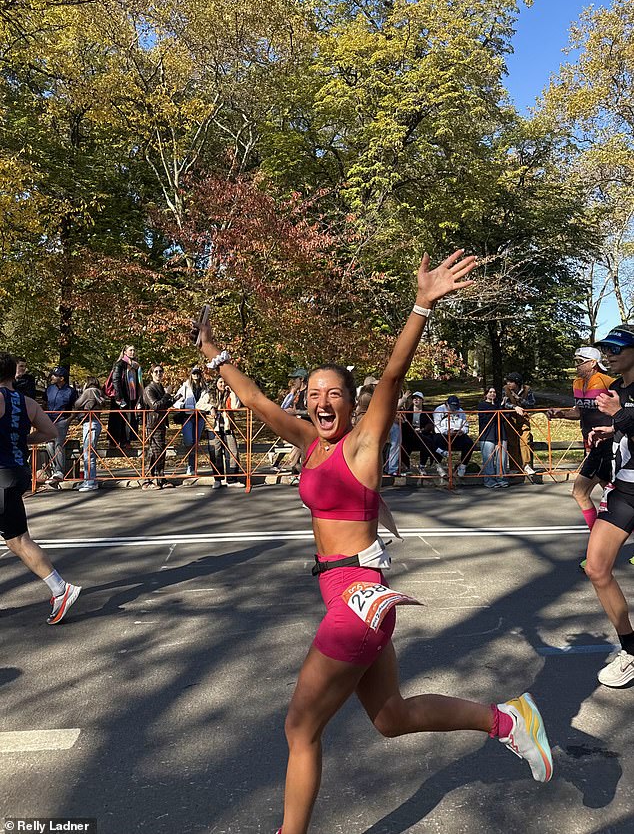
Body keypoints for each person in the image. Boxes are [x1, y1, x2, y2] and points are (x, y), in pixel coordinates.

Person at [196, 250, 553, 834]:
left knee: (300, 730)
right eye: (313, 393)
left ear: (351, 400)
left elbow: (391, 376)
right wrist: (216, 355)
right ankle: (508, 721)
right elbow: (259, 403)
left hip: (357, 598)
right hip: (352, 593)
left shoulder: (362, 444)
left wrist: (421, 305)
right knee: (390, 716)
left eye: (333, 393)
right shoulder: (312, 443)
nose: (321, 402)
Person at [0, 352, 81, 623]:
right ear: (13, 374)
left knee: (19, 540)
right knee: (17, 540)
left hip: (0, 474)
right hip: (17, 472)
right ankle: (60, 588)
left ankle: (61, 588)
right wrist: (21, 437)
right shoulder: (27, 403)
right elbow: (50, 433)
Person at [585, 325, 634, 687]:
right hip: (625, 490)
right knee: (596, 568)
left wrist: (620, 419)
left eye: (617, 347)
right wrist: (610, 432)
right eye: (606, 348)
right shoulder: (616, 389)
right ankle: (631, 649)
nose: (609, 353)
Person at [547, 347, 614, 569]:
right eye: (575, 360)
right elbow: (579, 411)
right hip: (591, 447)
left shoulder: (607, 381)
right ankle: (600, 547)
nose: (576, 364)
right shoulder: (577, 384)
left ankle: (597, 550)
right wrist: (560, 414)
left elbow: (622, 410)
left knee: (585, 493)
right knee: (612, 499)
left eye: (580, 361)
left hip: (607, 445)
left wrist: (613, 430)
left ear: (593, 363)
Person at [143, 365, 179, 488]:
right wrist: (167, 394)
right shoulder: (149, 389)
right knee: (155, 451)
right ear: (151, 374)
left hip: (161, 423)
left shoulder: (159, 388)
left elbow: (164, 404)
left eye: (161, 371)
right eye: (156, 372)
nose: (159, 374)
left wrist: (175, 398)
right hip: (153, 424)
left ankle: (159, 478)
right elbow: (156, 406)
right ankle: (149, 480)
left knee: (159, 452)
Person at [43, 365, 77, 486]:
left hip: (62, 420)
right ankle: (54, 469)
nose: (52, 377)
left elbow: (75, 407)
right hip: (49, 420)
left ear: (62, 378)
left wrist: (69, 419)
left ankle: (59, 471)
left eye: (55, 375)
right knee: (49, 444)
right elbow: (44, 402)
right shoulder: (49, 389)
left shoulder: (71, 391)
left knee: (58, 443)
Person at [107, 343, 144, 449]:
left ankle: (125, 441)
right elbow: (116, 381)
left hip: (131, 397)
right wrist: (119, 398)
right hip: (120, 397)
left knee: (129, 419)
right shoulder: (119, 364)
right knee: (117, 420)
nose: (132, 352)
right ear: (125, 352)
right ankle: (113, 442)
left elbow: (138, 382)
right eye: (130, 350)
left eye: (134, 350)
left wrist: (139, 398)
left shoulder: (136, 366)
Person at [501, 372, 536, 480]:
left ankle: (526, 465)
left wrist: (520, 400)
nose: (508, 384)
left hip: (523, 418)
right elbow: (504, 403)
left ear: (517, 383)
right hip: (511, 418)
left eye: (511, 382)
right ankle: (514, 467)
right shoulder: (505, 389)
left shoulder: (527, 389)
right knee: (512, 443)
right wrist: (514, 407)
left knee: (525, 440)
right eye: (508, 381)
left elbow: (532, 403)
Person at [74, 377, 105, 492]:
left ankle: (90, 481)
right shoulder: (98, 392)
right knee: (89, 453)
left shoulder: (89, 391)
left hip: (89, 422)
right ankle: (88, 480)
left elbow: (77, 403)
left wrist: (82, 391)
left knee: (88, 453)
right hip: (95, 422)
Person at [174, 365, 206, 475]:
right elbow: (175, 400)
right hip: (188, 416)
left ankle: (192, 466)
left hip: (200, 417)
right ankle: (190, 465)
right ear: (191, 375)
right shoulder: (185, 387)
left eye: (198, 373)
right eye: (194, 373)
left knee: (195, 442)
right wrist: (183, 406)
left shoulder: (205, 387)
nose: (196, 375)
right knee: (189, 441)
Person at [432, 395, 474, 478]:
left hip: (457, 435)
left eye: (455, 407)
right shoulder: (439, 410)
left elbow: (466, 426)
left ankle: (462, 467)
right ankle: (439, 466)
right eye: (451, 407)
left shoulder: (460, 411)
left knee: (469, 443)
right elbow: (437, 428)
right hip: (443, 434)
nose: (453, 409)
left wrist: (462, 431)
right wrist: (446, 432)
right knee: (437, 440)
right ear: (446, 404)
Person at [400, 391, 438, 475]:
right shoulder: (408, 411)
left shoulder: (427, 411)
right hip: (410, 436)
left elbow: (430, 424)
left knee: (426, 442)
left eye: (418, 399)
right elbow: (405, 426)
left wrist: (423, 430)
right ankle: (406, 467)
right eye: (414, 399)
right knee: (404, 444)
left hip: (423, 434)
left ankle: (422, 465)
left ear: (422, 400)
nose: (416, 400)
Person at [477, 387, 508, 488]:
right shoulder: (482, 405)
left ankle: (501, 478)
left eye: (494, 392)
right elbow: (488, 416)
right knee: (488, 459)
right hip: (487, 434)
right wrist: (500, 407)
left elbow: (505, 416)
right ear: (486, 394)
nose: (492, 394)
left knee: (502, 458)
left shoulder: (499, 405)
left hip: (500, 433)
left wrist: (501, 407)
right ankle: (489, 480)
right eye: (490, 392)